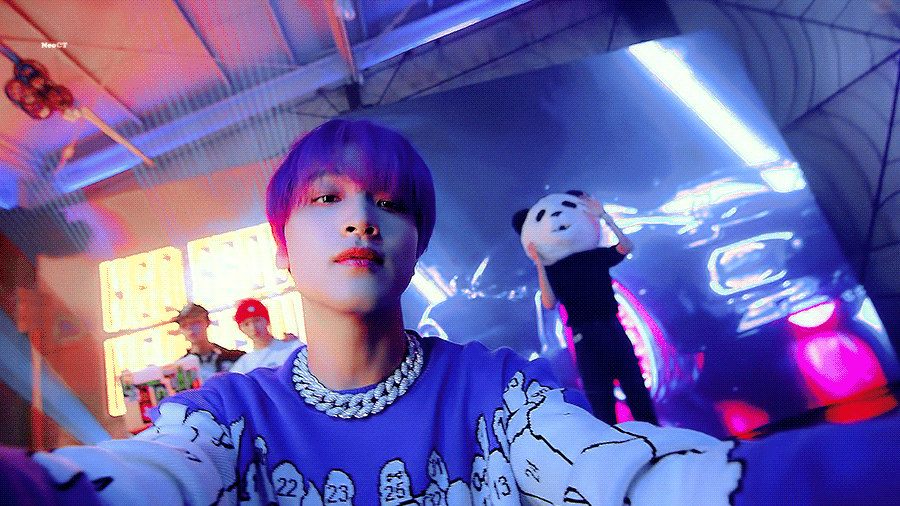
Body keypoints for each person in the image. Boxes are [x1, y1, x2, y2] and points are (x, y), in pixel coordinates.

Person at [5, 118, 898, 505]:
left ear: (416, 241)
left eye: (389, 201)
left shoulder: (500, 395)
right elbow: (130, 482)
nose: (360, 217)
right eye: (326, 198)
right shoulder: (226, 417)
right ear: (281, 243)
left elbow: (643, 481)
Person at [515, 191, 658, 425]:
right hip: (585, 337)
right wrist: (539, 262)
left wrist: (604, 217)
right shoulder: (554, 269)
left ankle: (655, 436)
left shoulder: (595, 256)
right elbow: (549, 303)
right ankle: (615, 443)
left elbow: (626, 246)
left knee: (636, 390)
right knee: (601, 401)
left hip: (612, 327)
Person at [174, 302, 245, 382]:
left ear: (207, 322)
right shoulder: (181, 368)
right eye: (184, 325)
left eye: (196, 322)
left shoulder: (235, 358)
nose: (190, 328)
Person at [228, 298, 301, 373]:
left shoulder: (293, 348)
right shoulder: (243, 365)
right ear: (241, 329)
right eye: (246, 324)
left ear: (267, 320)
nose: (253, 327)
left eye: (257, 320)